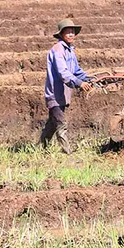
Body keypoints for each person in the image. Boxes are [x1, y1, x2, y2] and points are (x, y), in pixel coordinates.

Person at [40, 18, 92, 153]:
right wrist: (80, 83)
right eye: (67, 32)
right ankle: (66, 152)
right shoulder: (58, 50)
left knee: (52, 124)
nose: (71, 34)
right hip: (55, 94)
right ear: (61, 34)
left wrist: (90, 79)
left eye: (72, 32)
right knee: (61, 124)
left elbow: (76, 71)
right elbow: (63, 73)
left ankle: (40, 148)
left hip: (63, 94)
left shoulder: (70, 51)